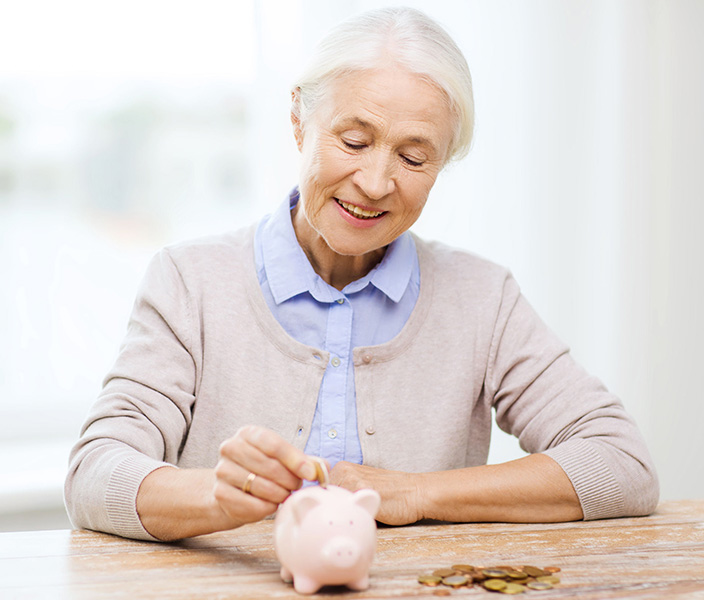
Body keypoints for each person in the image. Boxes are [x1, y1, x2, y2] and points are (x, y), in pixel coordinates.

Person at [64, 7, 658, 542]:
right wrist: (218, 496)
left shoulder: (483, 299)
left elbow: (620, 465)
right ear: (299, 120)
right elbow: (96, 473)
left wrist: (415, 492)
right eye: (354, 140)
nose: (375, 183)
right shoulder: (189, 281)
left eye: (413, 157)